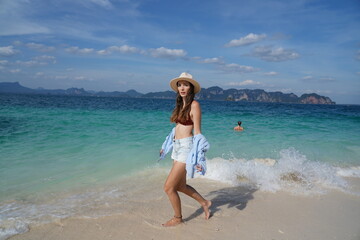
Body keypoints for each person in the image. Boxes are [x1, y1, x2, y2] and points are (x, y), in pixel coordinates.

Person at [159, 72, 212, 227]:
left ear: (191, 88)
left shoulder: (194, 105)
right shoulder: (180, 105)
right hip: (177, 147)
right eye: (180, 84)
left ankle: (178, 218)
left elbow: (197, 131)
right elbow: (177, 128)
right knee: (180, 186)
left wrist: (199, 156)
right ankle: (205, 203)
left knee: (168, 188)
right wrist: (166, 145)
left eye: (186, 85)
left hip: (186, 148)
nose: (182, 87)